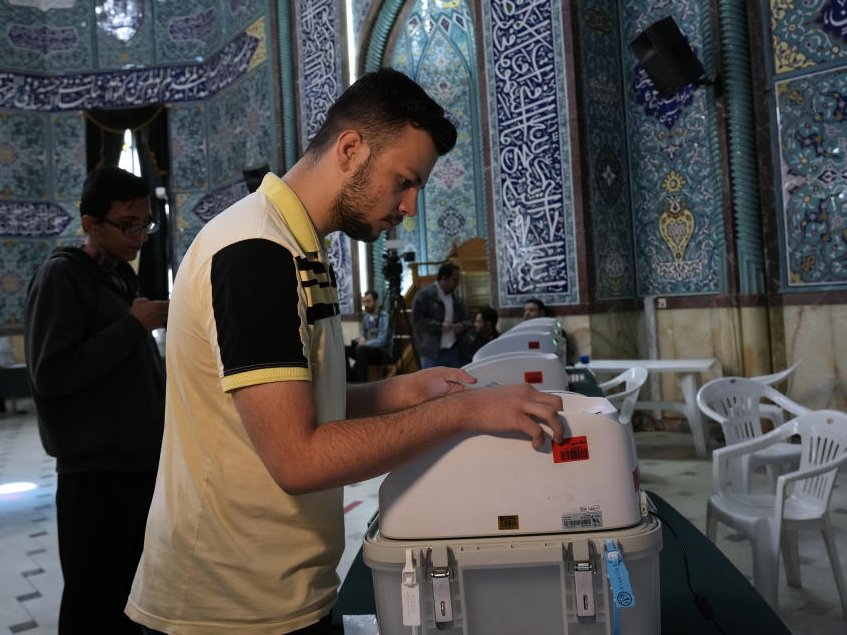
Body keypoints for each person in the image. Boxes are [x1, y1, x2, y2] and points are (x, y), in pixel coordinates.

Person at [126, 68, 563, 635]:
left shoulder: (297, 246)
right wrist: (462, 412)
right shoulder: (256, 252)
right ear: (351, 149)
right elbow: (297, 456)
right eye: (404, 181)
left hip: (282, 591)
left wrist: (409, 390)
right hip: (226, 608)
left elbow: (302, 402)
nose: (409, 207)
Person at [24, 166, 169, 634]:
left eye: (146, 222)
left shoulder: (116, 279)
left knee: (131, 600)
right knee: (95, 604)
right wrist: (133, 326)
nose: (140, 235)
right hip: (97, 480)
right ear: (90, 223)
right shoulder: (62, 276)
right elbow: (51, 374)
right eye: (128, 223)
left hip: (135, 470)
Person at [411, 261, 470, 369]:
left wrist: (462, 325)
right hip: (431, 353)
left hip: (454, 350)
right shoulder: (424, 296)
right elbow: (417, 321)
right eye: (454, 280)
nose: (457, 284)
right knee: (432, 385)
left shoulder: (457, 299)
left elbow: (467, 320)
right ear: (444, 278)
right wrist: (439, 326)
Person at [345, 289, 393, 382]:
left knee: (361, 349)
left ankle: (361, 383)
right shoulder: (367, 317)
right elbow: (363, 333)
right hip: (368, 351)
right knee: (344, 349)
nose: (366, 304)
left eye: (368, 301)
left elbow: (381, 341)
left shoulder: (383, 317)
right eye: (364, 302)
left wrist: (365, 343)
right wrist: (357, 340)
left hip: (382, 353)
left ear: (375, 302)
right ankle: (349, 380)